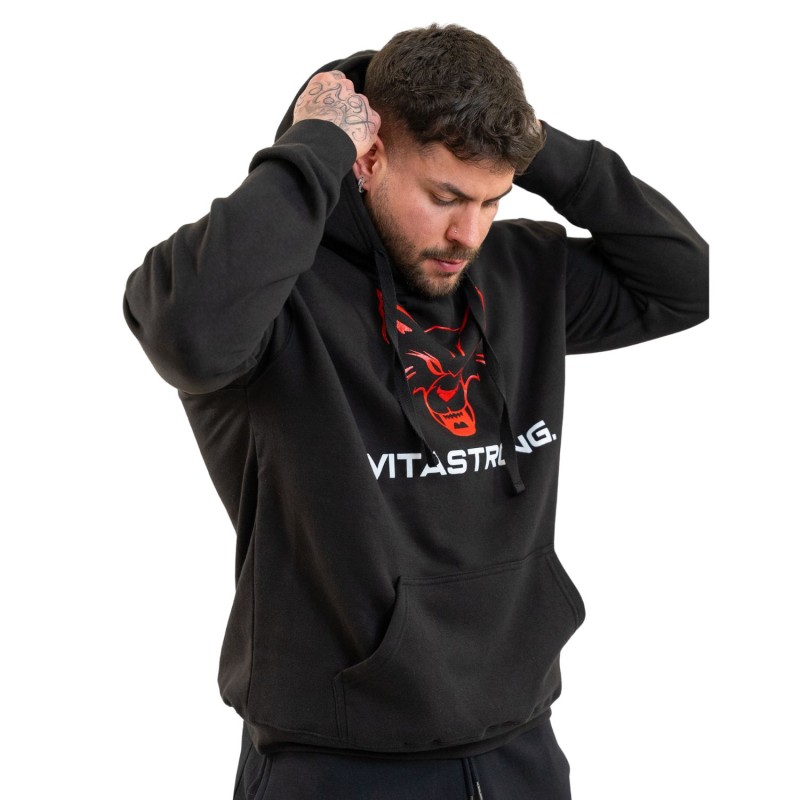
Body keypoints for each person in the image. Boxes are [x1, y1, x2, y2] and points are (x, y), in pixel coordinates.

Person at [123, 23, 708, 800]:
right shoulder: (271, 296)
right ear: (369, 159)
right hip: (334, 762)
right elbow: (187, 334)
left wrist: (535, 147)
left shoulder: (520, 272)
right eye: (445, 197)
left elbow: (684, 282)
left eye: (492, 200)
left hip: (522, 748)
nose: (468, 233)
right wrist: (317, 143)